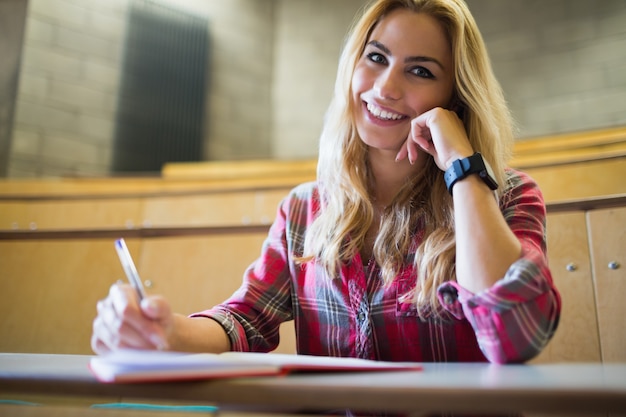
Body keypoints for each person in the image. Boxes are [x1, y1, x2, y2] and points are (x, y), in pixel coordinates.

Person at [92, 0, 561, 364]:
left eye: (420, 70)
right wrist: (168, 333)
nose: (385, 88)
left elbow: (513, 335)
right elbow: (245, 319)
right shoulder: (304, 208)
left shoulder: (507, 198)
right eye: (376, 57)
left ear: (455, 97)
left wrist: (462, 164)